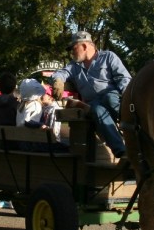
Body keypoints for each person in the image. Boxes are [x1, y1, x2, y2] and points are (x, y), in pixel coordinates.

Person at [50, 31, 131, 160]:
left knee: (110, 99)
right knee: (97, 110)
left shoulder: (108, 57)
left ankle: (132, 129)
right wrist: (58, 81)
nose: (72, 52)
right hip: (93, 103)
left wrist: (128, 98)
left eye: (74, 48)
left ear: (84, 46)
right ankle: (122, 152)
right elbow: (60, 73)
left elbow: (124, 78)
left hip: (113, 97)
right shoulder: (74, 66)